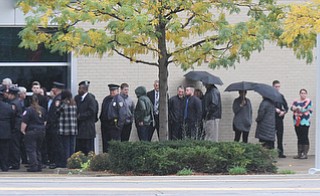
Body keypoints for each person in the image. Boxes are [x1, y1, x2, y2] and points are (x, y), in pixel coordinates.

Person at [21, 94, 47, 172]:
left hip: (31, 131)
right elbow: (45, 121)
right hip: (41, 131)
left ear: (30, 101)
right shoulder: (42, 110)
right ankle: (39, 165)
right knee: (38, 149)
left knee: (31, 149)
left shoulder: (28, 110)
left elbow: (24, 122)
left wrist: (23, 131)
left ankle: (33, 166)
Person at [99, 84, 126, 152]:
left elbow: (122, 114)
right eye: (111, 90)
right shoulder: (106, 99)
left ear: (117, 91)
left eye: (114, 91)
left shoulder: (119, 99)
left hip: (114, 125)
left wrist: (119, 126)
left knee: (114, 145)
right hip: (105, 125)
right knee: (106, 144)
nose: (112, 92)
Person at [75, 80, 98, 155]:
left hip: (88, 129)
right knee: (80, 149)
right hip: (80, 129)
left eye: (80, 88)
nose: (78, 90)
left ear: (84, 89)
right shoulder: (78, 98)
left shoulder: (90, 99)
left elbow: (92, 111)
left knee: (88, 149)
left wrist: (80, 116)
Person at [46, 81, 65, 169]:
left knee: (57, 145)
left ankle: (59, 162)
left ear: (56, 89)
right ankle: (57, 161)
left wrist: (52, 123)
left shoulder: (58, 98)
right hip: (55, 126)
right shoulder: (57, 98)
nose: (52, 89)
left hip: (55, 126)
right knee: (56, 144)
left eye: (54, 88)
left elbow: (55, 113)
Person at [57, 90, 78, 167]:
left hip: (65, 129)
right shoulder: (74, 104)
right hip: (73, 128)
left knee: (66, 147)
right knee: (72, 147)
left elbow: (58, 111)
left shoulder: (64, 104)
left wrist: (58, 105)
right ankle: (72, 162)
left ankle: (66, 162)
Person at [291, 89, 312, 159]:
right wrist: (297, 108)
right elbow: (292, 107)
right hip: (297, 121)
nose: (303, 94)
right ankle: (299, 153)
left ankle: (305, 153)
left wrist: (297, 108)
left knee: (304, 136)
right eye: (302, 93)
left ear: (306, 94)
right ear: (299, 94)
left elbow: (304, 109)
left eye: (304, 93)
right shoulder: (295, 101)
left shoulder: (308, 101)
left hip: (305, 121)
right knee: (299, 137)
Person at [7, 86, 23, 170]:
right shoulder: (18, 102)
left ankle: (15, 163)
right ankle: (15, 162)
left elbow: (13, 116)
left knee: (14, 146)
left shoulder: (13, 103)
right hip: (17, 126)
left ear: (12, 94)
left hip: (15, 127)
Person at [0, 86, 15, 172]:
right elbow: (13, 119)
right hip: (5, 130)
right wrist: (11, 128)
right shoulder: (8, 107)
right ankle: (4, 166)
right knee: (5, 150)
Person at [272, 80, 289, 158]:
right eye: (276, 87)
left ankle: (280, 152)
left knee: (280, 135)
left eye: (279, 86)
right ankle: (271, 152)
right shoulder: (270, 96)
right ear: (273, 87)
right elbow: (267, 106)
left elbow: (286, 107)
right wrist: (275, 109)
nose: (277, 88)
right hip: (272, 119)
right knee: (271, 136)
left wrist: (284, 112)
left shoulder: (281, 96)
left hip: (279, 118)